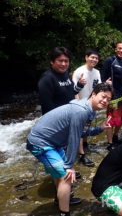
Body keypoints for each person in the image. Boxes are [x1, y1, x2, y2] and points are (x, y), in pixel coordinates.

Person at [26, 83, 113, 216]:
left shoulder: (88, 109)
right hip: (41, 142)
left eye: (108, 99)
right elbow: (74, 138)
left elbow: (82, 132)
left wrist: (99, 129)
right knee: (66, 176)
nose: (105, 101)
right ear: (94, 94)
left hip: (54, 143)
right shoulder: (81, 111)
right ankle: (64, 213)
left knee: (61, 174)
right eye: (103, 96)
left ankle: (60, 199)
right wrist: (69, 165)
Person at [72, 48, 102, 167]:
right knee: (80, 130)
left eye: (96, 58)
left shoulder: (97, 72)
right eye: (92, 57)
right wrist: (77, 105)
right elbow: (74, 90)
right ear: (86, 57)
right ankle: (81, 155)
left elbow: (99, 87)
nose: (94, 60)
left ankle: (85, 144)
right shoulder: (79, 71)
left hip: (92, 104)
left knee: (87, 126)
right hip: (81, 105)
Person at [101, 41, 122, 150]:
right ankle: (110, 143)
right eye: (119, 48)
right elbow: (103, 77)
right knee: (111, 119)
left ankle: (115, 136)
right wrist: (105, 87)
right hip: (112, 96)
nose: (121, 51)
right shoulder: (110, 61)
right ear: (116, 49)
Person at [38, 47, 86, 115]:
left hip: (69, 115)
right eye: (60, 61)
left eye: (66, 61)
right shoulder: (47, 78)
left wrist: (79, 85)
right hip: (57, 121)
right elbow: (46, 107)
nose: (63, 64)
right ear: (52, 61)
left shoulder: (65, 73)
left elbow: (70, 93)